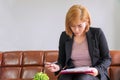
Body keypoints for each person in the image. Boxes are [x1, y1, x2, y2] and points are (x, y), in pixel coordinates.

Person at [45, 4, 111, 80]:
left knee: (82, 78)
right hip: (72, 72)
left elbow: (107, 58)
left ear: (87, 22)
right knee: (63, 78)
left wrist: (97, 70)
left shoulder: (97, 33)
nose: (76, 30)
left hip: (93, 74)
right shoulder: (64, 36)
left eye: (80, 26)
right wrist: (57, 66)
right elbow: (61, 60)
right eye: (72, 26)